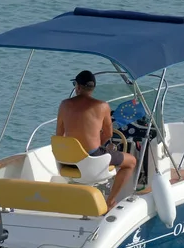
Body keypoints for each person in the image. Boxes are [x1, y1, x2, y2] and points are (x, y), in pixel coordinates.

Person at [56, 70, 137, 210]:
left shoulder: (64, 105)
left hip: (68, 161)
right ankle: (110, 201)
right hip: (92, 160)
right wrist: (101, 145)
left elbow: (59, 135)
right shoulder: (103, 106)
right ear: (92, 89)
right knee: (131, 161)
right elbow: (108, 134)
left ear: (78, 87)